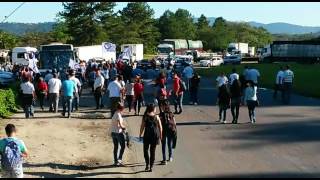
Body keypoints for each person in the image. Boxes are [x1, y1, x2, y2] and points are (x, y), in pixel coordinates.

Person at [139, 104, 163, 172]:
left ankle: (147, 164)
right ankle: (151, 166)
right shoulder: (157, 117)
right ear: (153, 109)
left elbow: (142, 127)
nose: (156, 109)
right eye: (155, 108)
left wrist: (140, 135)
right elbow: (160, 128)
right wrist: (161, 136)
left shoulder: (145, 117)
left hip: (147, 135)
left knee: (145, 150)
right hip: (155, 136)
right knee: (153, 151)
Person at [159, 100, 177, 165]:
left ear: (164, 106)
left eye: (162, 105)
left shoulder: (161, 114)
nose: (161, 106)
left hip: (163, 131)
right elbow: (175, 123)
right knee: (169, 144)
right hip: (170, 130)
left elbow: (159, 124)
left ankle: (164, 160)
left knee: (163, 145)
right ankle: (170, 157)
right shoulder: (171, 113)